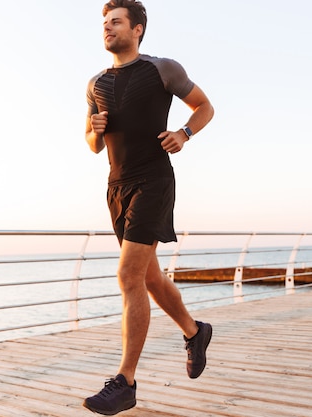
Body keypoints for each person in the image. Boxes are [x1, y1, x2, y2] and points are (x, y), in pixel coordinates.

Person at [83, 0, 214, 415]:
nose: (108, 28)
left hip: (154, 180)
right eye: (104, 23)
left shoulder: (162, 69)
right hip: (116, 187)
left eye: (116, 22)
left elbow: (205, 107)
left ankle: (125, 382)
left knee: (128, 275)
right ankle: (195, 332)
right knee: (151, 279)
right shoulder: (96, 83)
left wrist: (185, 133)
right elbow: (91, 142)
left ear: (137, 29)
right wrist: (94, 130)